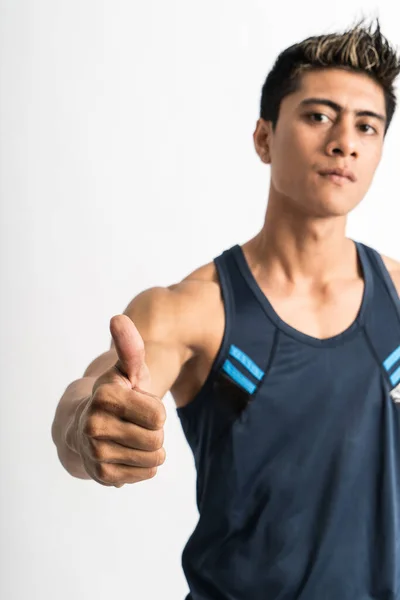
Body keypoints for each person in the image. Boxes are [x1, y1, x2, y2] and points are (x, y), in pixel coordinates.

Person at [51, 17, 400, 599]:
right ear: (264, 137)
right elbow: (85, 403)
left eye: (368, 125)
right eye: (318, 115)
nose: (345, 140)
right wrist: (88, 426)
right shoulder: (194, 311)